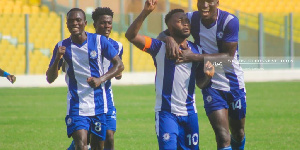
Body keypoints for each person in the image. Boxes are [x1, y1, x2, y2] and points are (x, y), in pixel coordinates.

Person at [125, 0, 214, 149]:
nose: (185, 23)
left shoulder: (197, 49)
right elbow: (131, 36)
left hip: (190, 114)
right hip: (167, 114)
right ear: (169, 27)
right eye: (180, 21)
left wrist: (207, 76)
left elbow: (200, 83)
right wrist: (146, 12)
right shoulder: (159, 47)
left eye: (186, 21)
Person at [158, 0, 247, 149]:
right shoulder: (191, 18)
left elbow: (227, 60)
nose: (204, 5)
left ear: (217, 2)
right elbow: (164, 33)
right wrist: (168, 39)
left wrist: (194, 57)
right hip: (210, 83)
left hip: (233, 82)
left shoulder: (229, 22)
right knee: (223, 136)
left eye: (209, 1)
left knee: (238, 133)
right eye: (201, 1)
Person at [46, 8, 124, 150]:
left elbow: (119, 65)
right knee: (81, 145)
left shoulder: (100, 41)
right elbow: (50, 79)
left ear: (85, 23)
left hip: (99, 104)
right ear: (67, 24)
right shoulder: (61, 46)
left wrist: (101, 79)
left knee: (99, 145)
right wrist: (58, 58)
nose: (74, 23)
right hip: (77, 105)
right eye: (71, 21)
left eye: (78, 20)